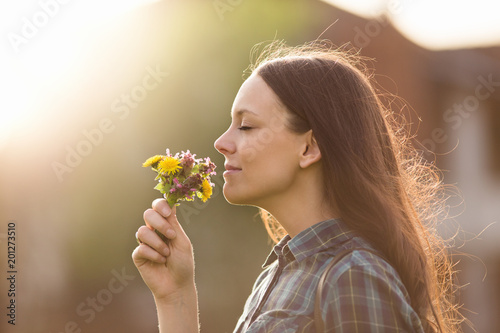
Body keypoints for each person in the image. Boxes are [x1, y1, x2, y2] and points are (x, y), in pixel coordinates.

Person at [132, 41, 464, 332]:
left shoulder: (353, 277)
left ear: (309, 148)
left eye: (246, 126)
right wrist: (175, 295)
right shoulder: (277, 276)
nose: (221, 142)